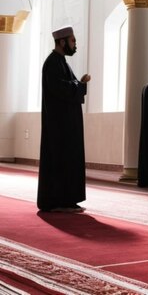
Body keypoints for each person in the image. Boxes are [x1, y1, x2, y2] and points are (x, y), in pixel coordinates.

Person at [37, 26, 91, 213]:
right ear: (62, 42)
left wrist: (79, 84)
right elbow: (60, 89)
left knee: (69, 160)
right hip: (59, 126)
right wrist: (81, 84)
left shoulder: (60, 62)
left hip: (66, 124)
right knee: (61, 160)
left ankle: (68, 200)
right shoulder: (52, 63)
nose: (75, 45)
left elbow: (68, 86)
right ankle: (59, 201)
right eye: (72, 41)